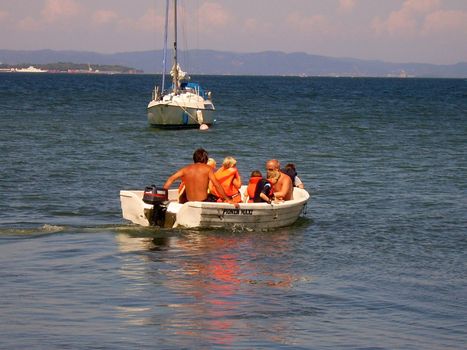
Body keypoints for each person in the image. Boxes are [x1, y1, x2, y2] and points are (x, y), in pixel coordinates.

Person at [163, 148, 237, 205]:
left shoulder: (185, 169)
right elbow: (216, 184)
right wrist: (227, 199)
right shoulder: (208, 169)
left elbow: (170, 179)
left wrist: (164, 196)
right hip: (203, 201)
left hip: (189, 202)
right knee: (215, 197)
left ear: (194, 158)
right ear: (205, 159)